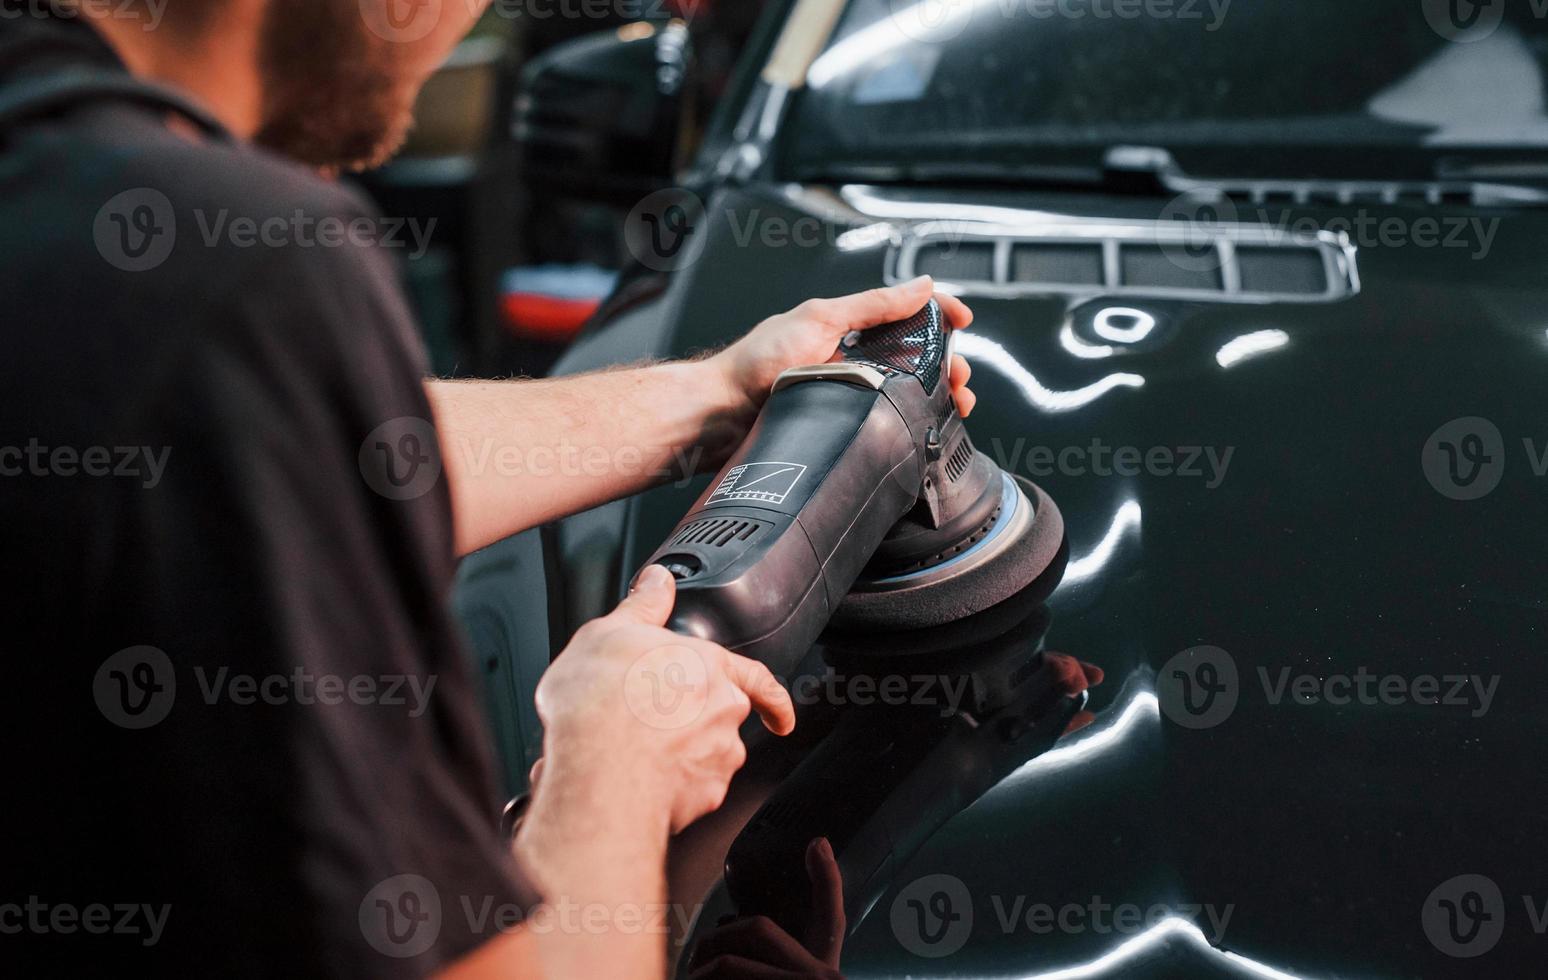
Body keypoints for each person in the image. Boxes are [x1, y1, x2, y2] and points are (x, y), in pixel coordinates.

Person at [0, 2, 976, 977]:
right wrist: (615, 762)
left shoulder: (57, 175)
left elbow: (251, 433)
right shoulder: (238, 272)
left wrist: (714, 394)